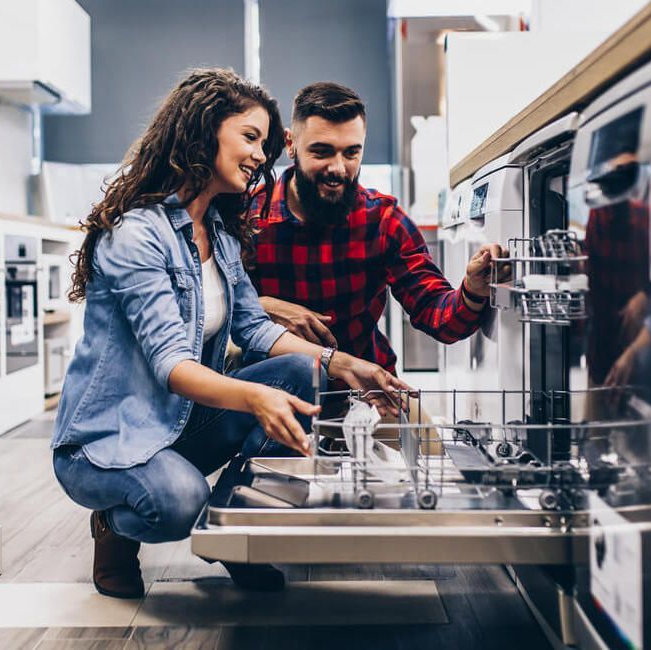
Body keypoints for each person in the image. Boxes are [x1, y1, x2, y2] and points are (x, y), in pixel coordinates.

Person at [50, 69, 407, 599]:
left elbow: (253, 326)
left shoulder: (216, 229)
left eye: (264, 142)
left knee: (303, 371)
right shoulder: (137, 234)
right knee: (178, 503)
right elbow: (173, 367)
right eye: (250, 137)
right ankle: (113, 526)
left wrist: (344, 364)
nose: (262, 156)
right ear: (202, 131)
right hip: (107, 441)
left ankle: (237, 534)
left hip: (176, 425)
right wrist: (257, 396)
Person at [245, 82, 505, 384]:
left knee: (425, 433)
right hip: (271, 393)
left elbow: (439, 317)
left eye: (351, 153)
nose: (338, 168)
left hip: (366, 391)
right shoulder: (248, 217)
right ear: (291, 144)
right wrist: (260, 307)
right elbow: (210, 310)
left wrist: (473, 289)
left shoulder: (383, 221)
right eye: (322, 152)